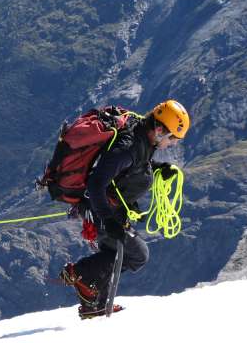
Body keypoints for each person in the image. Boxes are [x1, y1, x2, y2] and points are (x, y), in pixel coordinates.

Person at [60, 100, 190, 318]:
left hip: (105, 209)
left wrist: (158, 169)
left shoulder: (140, 136)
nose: (171, 144)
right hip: (102, 210)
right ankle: (81, 273)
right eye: (172, 139)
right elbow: (97, 182)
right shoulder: (129, 146)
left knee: (113, 253)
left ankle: (95, 304)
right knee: (137, 254)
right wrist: (109, 221)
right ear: (159, 130)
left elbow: (130, 168)